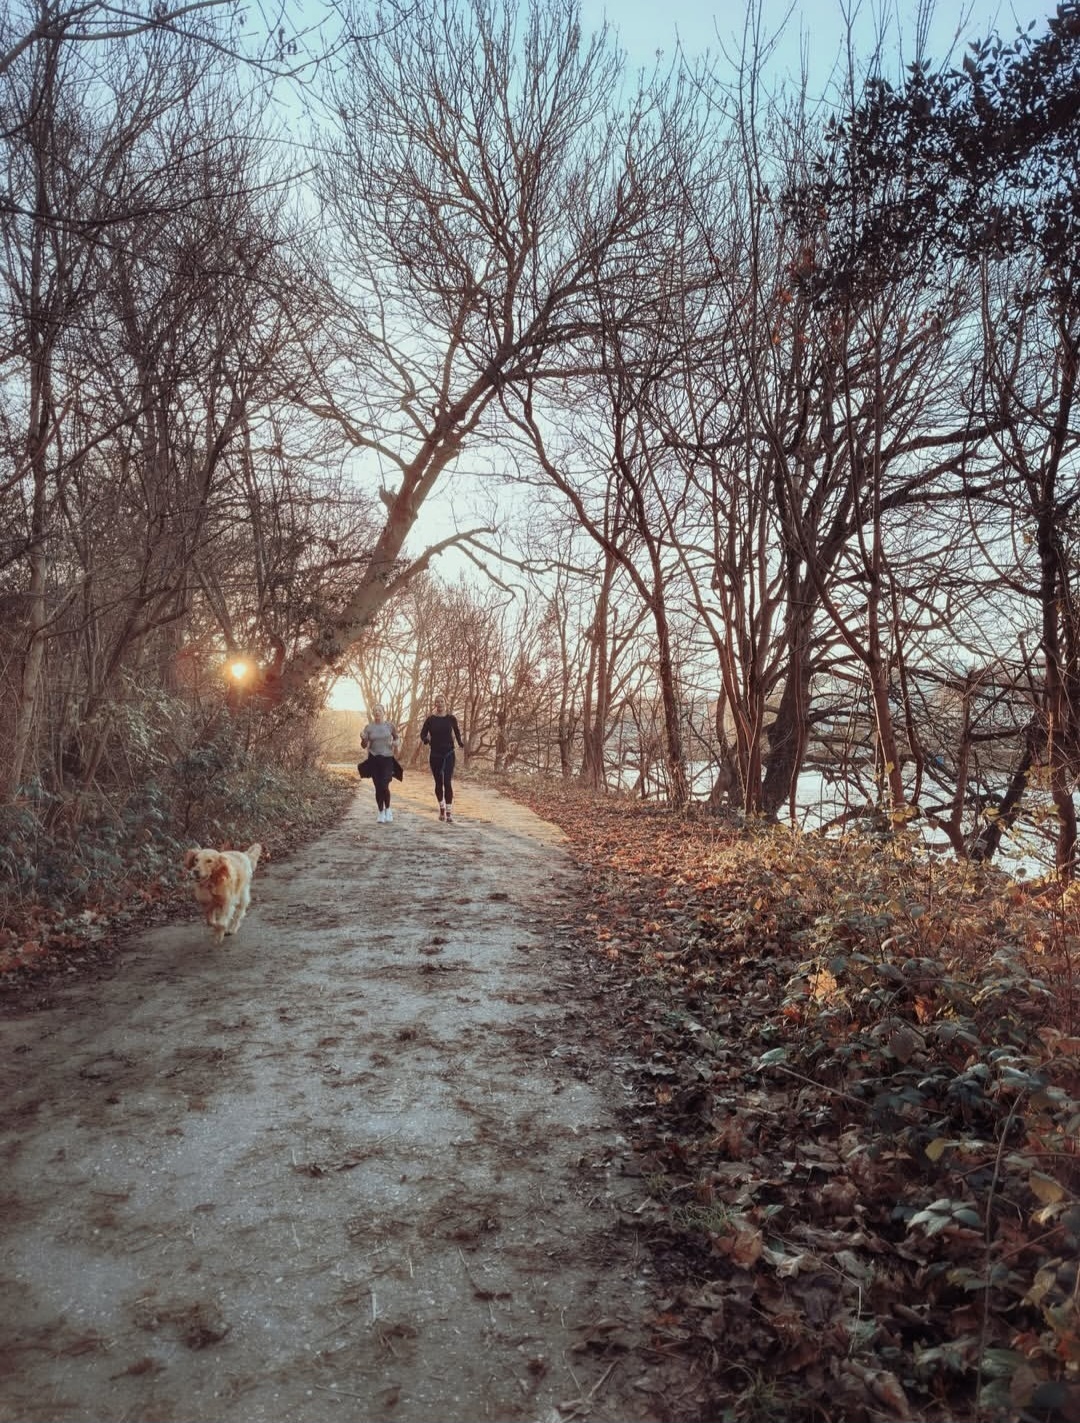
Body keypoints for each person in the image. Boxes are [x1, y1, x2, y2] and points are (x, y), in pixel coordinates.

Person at [420, 696, 464, 822]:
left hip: (449, 754)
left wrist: (460, 743)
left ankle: (449, 813)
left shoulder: (451, 718)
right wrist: (425, 739)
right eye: (437, 702)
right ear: (435, 704)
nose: (439, 704)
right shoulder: (430, 719)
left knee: (447, 782)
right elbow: (422, 733)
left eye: (442, 701)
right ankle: (442, 809)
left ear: (446, 703)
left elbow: (457, 732)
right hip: (435, 754)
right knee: (439, 783)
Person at [360, 704, 401, 824]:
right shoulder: (369, 727)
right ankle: (380, 812)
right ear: (373, 713)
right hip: (374, 759)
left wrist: (396, 743)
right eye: (375, 711)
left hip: (387, 759)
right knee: (378, 787)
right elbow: (364, 745)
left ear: (384, 712)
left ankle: (388, 809)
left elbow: (397, 738)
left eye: (379, 710)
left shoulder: (390, 726)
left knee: (384, 785)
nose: (377, 712)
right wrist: (363, 738)